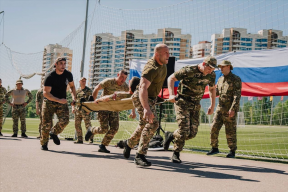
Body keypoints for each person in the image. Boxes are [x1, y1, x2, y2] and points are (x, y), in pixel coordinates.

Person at [122, 44, 169, 167]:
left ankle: (129, 144)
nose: (168, 55)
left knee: (143, 125)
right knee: (153, 123)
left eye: (169, 53)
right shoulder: (151, 68)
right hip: (141, 96)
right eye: (166, 53)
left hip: (151, 97)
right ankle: (140, 155)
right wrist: (146, 109)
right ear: (157, 54)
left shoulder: (163, 65)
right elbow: (143, 88)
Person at [164, 56, 217, 163]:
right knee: (184, 129)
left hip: (195, 104)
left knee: (192, 133)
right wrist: (171, 94)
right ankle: (176, 153)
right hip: (182, 101)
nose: (210, 71)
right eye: (209, 68)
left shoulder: (211, 75)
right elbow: (171, 78)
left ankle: (171, 135)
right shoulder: (188, 70)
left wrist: (212, 105)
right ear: (204, 64)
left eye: (212, 69)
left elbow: (211, 89)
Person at [85, 70, 129, 153]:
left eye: (125, 78)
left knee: (115, 128)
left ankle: (103, 145)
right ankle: (91, 130)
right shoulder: (108, 82)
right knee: (104, 129)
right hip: (103, 108)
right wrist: (92, 105)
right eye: (122, 77)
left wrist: (133, 112)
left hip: (114, 109)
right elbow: (96, 88)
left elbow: (130, 96)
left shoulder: (125, 86)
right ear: (118, 75)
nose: (123, 80)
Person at [207, 60, 242, 158]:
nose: (221, 69)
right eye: (220, 67)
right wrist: (211, 92)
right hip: (220, 109)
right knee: (213, 127)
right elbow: (216, 92)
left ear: (228, 67)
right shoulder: (220, 79)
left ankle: (232, 151)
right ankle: (214, 148)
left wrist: (233, 109)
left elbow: (237, 95)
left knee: (230, 131)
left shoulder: (236, 79)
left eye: (222, 67)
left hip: (229, 110)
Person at [40, 57, 76, 150]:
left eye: (64, 63)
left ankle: (54, 133)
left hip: (61, 101)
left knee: (65, 120)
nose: (63, 65)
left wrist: (74, 98)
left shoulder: (68, 74)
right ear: (56, 64)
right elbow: (45, 93)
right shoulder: (50, 76)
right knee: (46, 124)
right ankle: (44, 144)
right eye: (61, 63)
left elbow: (72, 86)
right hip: (49, 102)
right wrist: (58, 100)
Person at [73, 77, 93, 144]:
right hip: (78, 110)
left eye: (84, 81)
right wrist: (73, 108)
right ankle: (80, 139)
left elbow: (91, 102)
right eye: (82, 81)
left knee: (88, 125)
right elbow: (75, 100)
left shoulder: (89, 90)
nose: (83, 82)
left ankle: (91, 139)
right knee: (77, 125)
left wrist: (89, 110)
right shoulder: (77, 90)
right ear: (80, 82)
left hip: (85, 110)